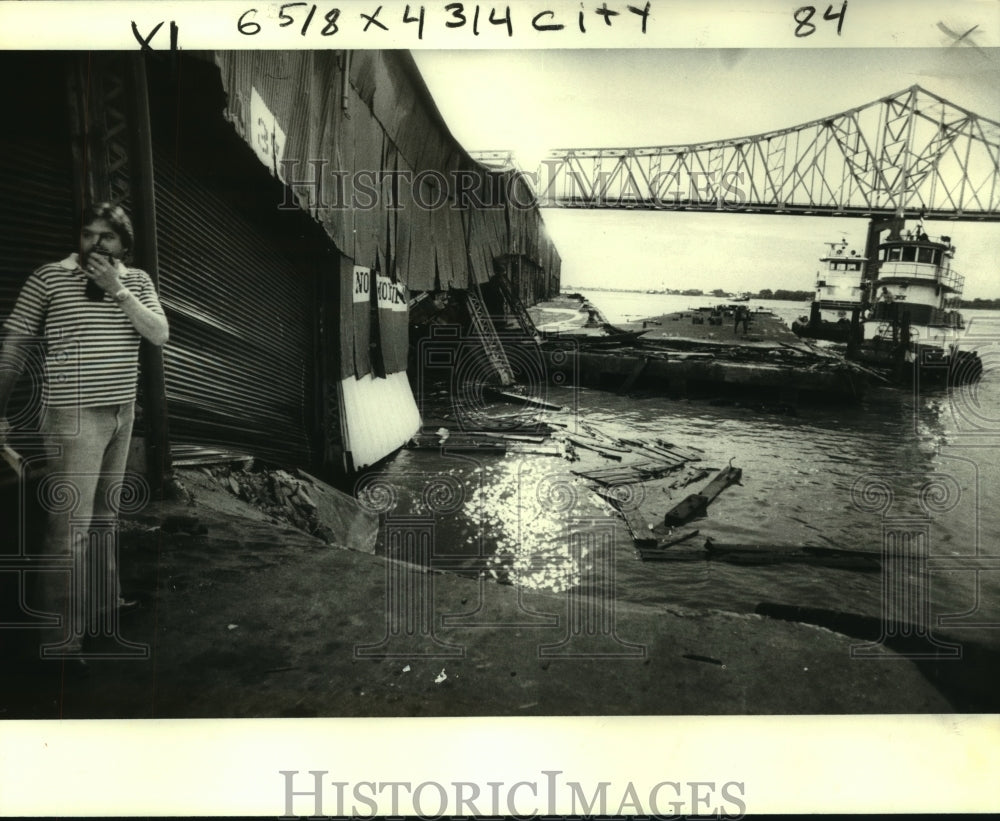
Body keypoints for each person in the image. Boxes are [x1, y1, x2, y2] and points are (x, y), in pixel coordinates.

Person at [0, 202, 168, 664]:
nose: (95, 244)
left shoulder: (136, 282)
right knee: (68, 528)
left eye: (107, 237)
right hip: (73, 417)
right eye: (88, 234)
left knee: (104, 519)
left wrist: (118, 291)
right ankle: (59, 639)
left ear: (123, 245)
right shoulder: (49, 277)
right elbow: (15, 344)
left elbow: (158, 334)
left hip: (120, 412)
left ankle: (102, 606)